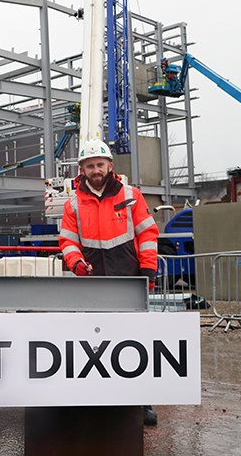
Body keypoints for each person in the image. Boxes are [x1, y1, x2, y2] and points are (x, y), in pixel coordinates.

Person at [58, 138, 160, 426]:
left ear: (110, 166)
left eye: (99, 164)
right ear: (82, 169)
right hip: (92, 285)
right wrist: (76, 263)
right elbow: (67, 241)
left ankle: (141, 404)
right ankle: (98, 400)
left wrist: (148, 269)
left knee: (134, 345)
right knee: (95, 345)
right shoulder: (74, 203)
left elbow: (147, 233)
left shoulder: (131, 195)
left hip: (128, 282)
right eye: (89, 165)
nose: (95, 170)